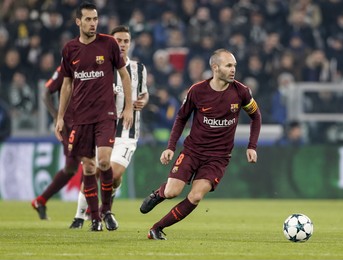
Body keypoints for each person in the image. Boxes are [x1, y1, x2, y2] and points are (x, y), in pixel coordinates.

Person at [140, 49, 262, 240]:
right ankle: (159, 194)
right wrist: (171, 147)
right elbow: (181, 118)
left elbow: (256, 116)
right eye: (228, 65)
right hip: (192, 151)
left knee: (196, 196)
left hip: (218, 158)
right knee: (172, 192)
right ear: (215, 67)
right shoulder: (197, 91)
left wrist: (252, 146)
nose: (233, 70)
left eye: (234, 66)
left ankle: (156, 228)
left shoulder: (242, 92)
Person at [55, 2, 133, 231]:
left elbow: (124, 76)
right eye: (88, 19)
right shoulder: (70, 49)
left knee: (104, 161)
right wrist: (60, 117)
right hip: (80, 117)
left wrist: (128, 107)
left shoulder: (108, 43)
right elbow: (67, 84)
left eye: (95, 19)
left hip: (105, 114)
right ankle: (96, 219)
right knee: (88, 168)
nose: (93, 23)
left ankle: (106, 210)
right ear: (78, 22)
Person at [69, 25, 149, 229]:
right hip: (99, 127)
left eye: (125, 41)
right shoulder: (99, 66)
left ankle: (105, 209)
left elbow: (144, 93)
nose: (122, 45)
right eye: (118, 41)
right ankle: (80, 217)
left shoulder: (138, 69)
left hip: (126, 131)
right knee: (92, 170)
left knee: (113, 174)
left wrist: (140, 103)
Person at [31, 65, 80, 220]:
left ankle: (41, 200)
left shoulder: (93, 62)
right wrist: (56, 115)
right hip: (69, 126)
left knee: (72, 167)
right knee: (86, 162)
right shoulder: (64, 68)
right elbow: (46, 93)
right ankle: (93, 212)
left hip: (87, 122)